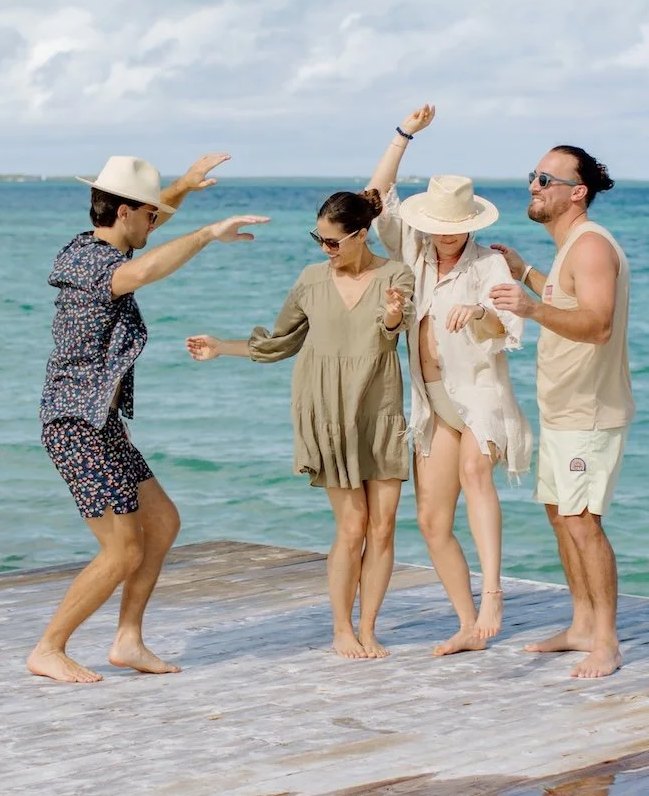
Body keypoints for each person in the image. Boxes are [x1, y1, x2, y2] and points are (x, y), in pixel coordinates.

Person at [28, 153, 268, 684]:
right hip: (76, 424)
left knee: (161, 523)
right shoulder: (99, 265)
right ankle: (49, 647)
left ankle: (127, 640)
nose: (155, 223)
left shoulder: (91, 243)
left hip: (101, 422)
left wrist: (180, 186)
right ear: (122, 212)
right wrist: (208, 233)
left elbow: (144, 238)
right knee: (121, 551)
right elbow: (148, 267)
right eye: (149, 214)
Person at [186, 189, 415, 660]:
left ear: (361, 233)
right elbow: (281, 342)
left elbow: (395, 329)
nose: (324, 250)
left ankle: (369, 628)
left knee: (385, 527)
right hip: (325, 409)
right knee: (353, 527)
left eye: (333, 242)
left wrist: (394, 316)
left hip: (379, 407)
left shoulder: (396, 274)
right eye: (319, 239)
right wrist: (221, 346)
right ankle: (341, 629)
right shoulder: (311, 280)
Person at [369, 107, 532, 657]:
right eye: (437, 226)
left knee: (473, 472)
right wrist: (402, 137)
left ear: (471, 225)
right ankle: (468, 625)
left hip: (480, 396)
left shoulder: (490, 267)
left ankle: (493, 595)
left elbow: (508, 330)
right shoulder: (413, 251)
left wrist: (476, 313)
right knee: (432, 520)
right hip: (432, 402)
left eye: (454, 227)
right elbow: (373, 198)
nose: (445, 236)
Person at [489, 146, 634, 680]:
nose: (534, 184)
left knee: (581, 520)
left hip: (589, 413)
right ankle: (581, 626)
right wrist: (526, 272)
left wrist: (529, 308)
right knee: (559, 515)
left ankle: (608, 640)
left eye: (547, 178)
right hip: (563, 411)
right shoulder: (572, 246)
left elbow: (596, 324)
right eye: (533, 175)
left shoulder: (592, 247)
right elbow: (568, 297)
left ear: (578, 192)